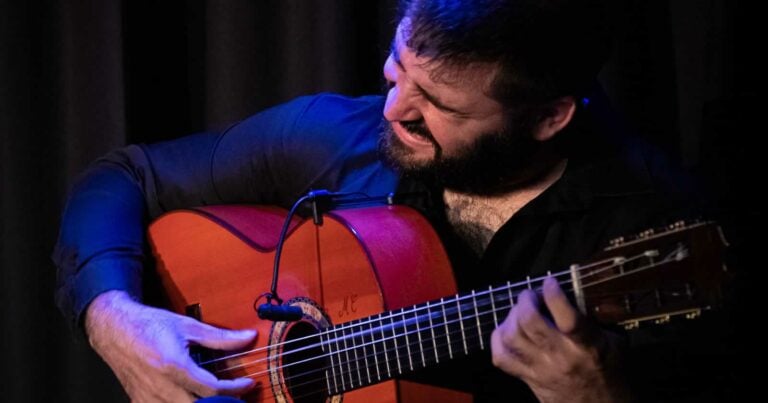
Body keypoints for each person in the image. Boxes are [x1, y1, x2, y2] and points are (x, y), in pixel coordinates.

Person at [53, 0, 716, 402]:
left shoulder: (650, 224)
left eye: (439, 103)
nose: (395, 107)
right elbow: (122, 175)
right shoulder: (340, 135)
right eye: (399, 70)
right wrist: (114, 318)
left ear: (548, 117)